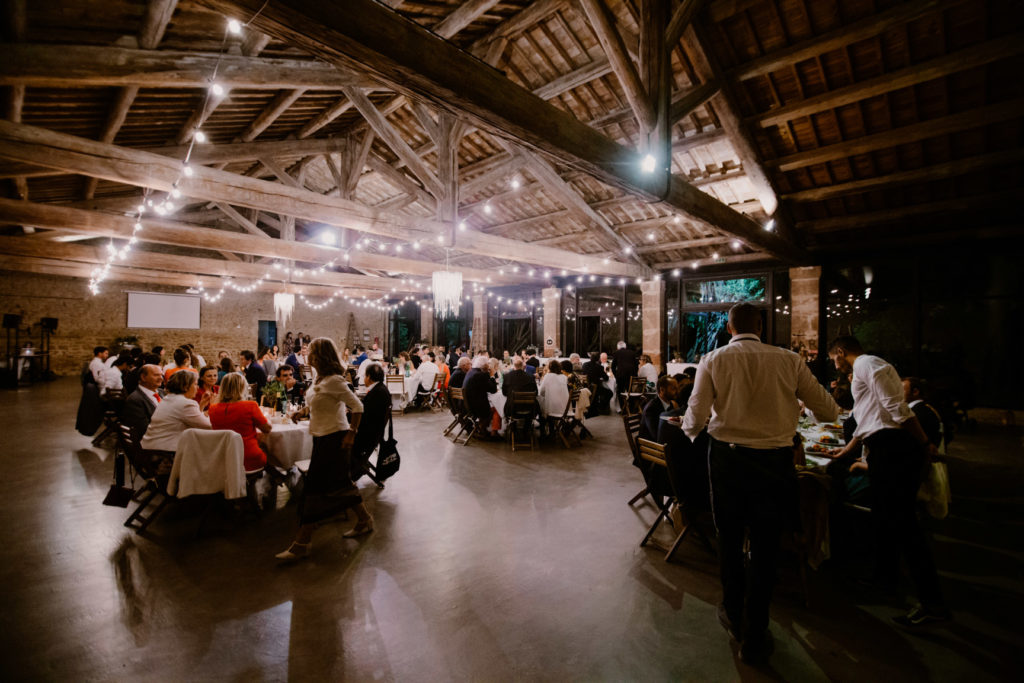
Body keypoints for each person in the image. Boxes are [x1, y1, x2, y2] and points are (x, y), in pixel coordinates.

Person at [682, 303, 838, 664]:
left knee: (730, 538)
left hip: (728, 459)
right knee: (766, 546)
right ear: (762, 326)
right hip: (775, 462)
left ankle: (734, 612)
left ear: (729, 326)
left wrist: (688, 431)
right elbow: (828, 411)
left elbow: (697, 413)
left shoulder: (713, 359)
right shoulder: (789, 360)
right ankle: (756, 633)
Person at [828, 337, 948, 628]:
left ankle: (933, 604)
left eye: (834, 358)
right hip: (883, 446)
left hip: (894, 448)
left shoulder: (868, 363)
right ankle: (884, 580)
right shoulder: (864, 370)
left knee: (904, 526)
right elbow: (868, 416)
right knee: (885, 520)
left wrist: (925, 443)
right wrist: (845, 451)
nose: (835, 364)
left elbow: (897, 409)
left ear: (841, 352)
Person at [277, 338, 373, 561]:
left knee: (314, 488)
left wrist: (351, 433)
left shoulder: (335, 381)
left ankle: (302, 541)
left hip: (336, 438)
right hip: (321, 437)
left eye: (311, 352)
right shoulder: (319, 379)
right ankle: (364, 519)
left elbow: (358, 406)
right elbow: (317, 401)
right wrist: (303, 412)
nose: (307, 356)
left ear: (319, 356)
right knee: (341, 483)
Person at [208, 373, 272, 471]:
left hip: (224, 458)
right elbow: (267, 429)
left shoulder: (212, 409)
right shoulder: (250, 406)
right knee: (272, 452)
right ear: (242, 388)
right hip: (248, 458)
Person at [141, 370, 212, 452]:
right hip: (165, 453)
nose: (198, 387)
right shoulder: (185, 403)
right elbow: (208, 426)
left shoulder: (169, 398)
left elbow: (192, 419)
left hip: (152, 447)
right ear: (185, 386)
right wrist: (213, 409)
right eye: (195, 384)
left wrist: (202, 405)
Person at [352, 363, 390, 477]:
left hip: (367, 436)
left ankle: (350, 471)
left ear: (369, 377)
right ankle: (357, 467)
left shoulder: (377, 393)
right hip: (375, 433)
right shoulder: (381, 389)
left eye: (365, 376)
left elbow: (365, 417)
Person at [120, 363, 163, 438]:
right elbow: (143, 429)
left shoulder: (163, 393)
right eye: (156, 375)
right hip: (153, 440)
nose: (161, 378)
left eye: (161, 375)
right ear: (143, 377)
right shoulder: (135, 400)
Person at [903, 377, 944, 452]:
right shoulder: (926, 409)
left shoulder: (916, 413)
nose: (898, 394)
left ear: (915, 392)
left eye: (901, 390)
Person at [463, 355, 498, 435]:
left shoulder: (471, 372)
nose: (489, 366)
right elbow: (493, 390)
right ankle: (484, 430)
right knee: (495, 408)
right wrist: (492, 375)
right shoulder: (481, 375)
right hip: (476, 407)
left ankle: (482, 428)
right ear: (485, 366)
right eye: (488, 364)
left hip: (467, 405)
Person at [640, 375, 678, 442]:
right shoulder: (651, 409)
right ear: (662, 390)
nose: (677, 391)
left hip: (665, 442)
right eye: (673, 389)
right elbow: (656, 436)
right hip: (652, 447)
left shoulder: (670, 404)